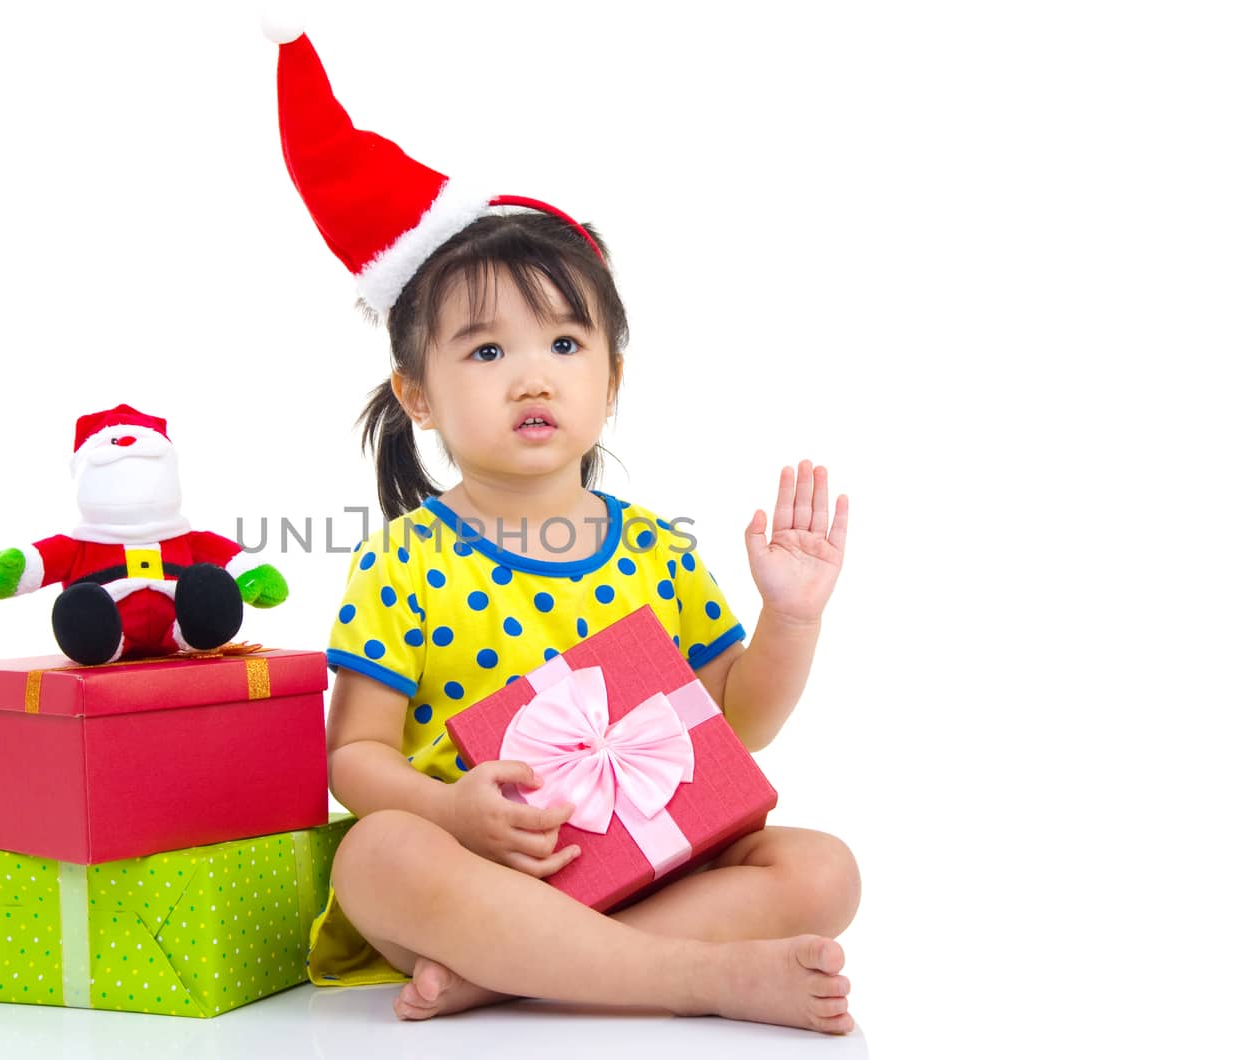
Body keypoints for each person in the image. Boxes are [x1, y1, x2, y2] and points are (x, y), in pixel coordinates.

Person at [266, 24, 861, 1034]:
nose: (534, 374)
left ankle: (508, 978)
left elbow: (734, 727)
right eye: (487, 347)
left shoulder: (655, 552)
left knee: (821, 866)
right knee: (376, 855)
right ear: (416, 393)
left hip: (645, 867)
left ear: (611, 377)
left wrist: (789, 620)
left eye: (566, 341)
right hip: (469, 881)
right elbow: (355, 757)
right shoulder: (408, 557)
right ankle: (689, 977)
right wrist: (453, 813)